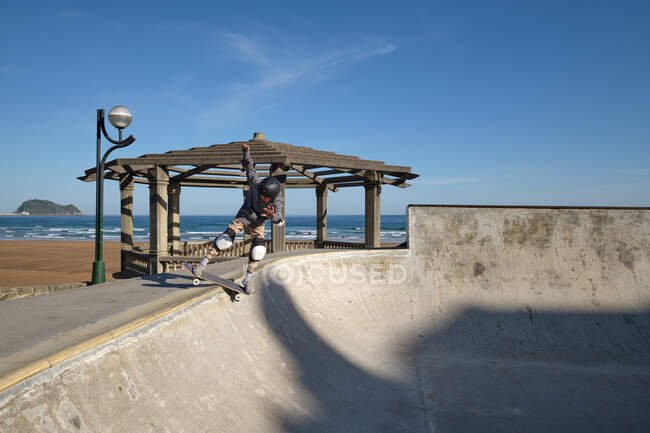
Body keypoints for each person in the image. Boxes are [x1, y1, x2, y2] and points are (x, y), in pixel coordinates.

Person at [192, 142, 285, 294]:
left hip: (258, 223)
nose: (262, 198)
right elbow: (249, 167)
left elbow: (280, 220)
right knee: (225, 240)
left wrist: (272, 216)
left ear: (272, 196)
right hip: (244, 215)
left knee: (259, 251)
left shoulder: (277, 200)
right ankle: (202, 264)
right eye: (261, 194)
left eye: (264, 197)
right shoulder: (256, 183)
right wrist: (246, 152)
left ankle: (247, 279)